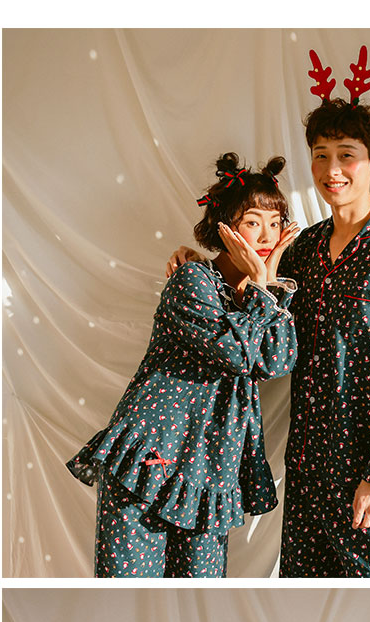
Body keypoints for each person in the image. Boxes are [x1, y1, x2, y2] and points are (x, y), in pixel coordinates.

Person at [168, 48, 370, 577]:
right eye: (320, 155)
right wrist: (196, 263)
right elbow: (252, 292)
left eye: (346, 155)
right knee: (302, 596)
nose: (332, 170)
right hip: (307, 468)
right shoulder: (303, 250)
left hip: (368, 473)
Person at [66, 153, 299, 577]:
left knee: (198, 599)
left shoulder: (265, 299)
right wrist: (262, 286)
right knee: (127, 596)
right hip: (152, 460)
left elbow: (277, 361)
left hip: (211, 474)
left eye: (275, 222)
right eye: (253, 222)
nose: (267, 235)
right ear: (226, 228)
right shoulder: (193, 281)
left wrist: (266, 284)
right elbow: (237, 353)